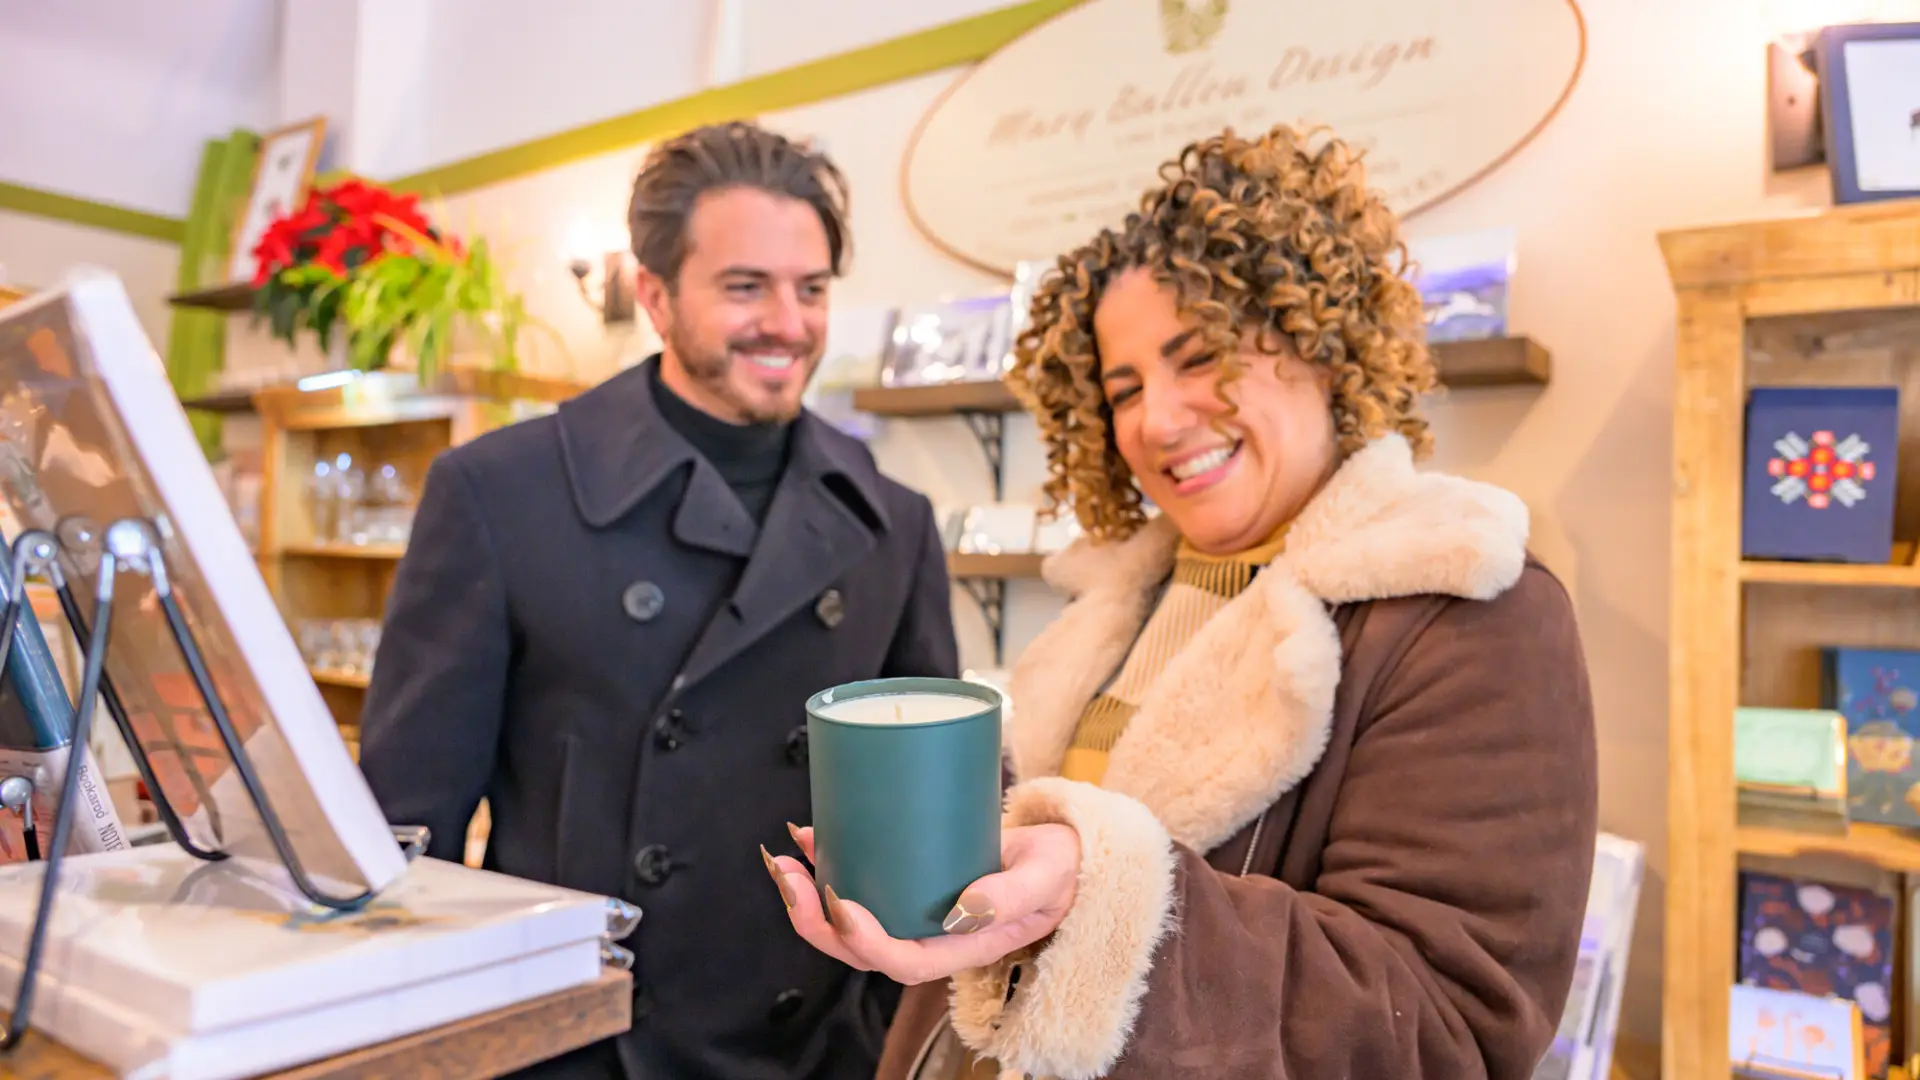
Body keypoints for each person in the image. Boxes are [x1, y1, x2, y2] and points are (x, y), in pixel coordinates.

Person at [764, 123, 1599, 1080]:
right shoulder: (1114, 607)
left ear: (1318, 340)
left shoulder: (1465, 609)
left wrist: (1102, 900)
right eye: (1123, 388)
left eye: (1200, 357)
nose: (1156, 420)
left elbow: (1447, 1029)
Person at [358, 121, 959, 1080]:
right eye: (744, 286)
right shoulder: (501, 493)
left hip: (809, 1053)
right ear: (653, 293)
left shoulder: (893, 521)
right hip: (580, 1048)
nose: (788, 322)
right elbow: (406, 840)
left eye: (811, 290)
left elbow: (932, 816)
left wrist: (875, 1016)